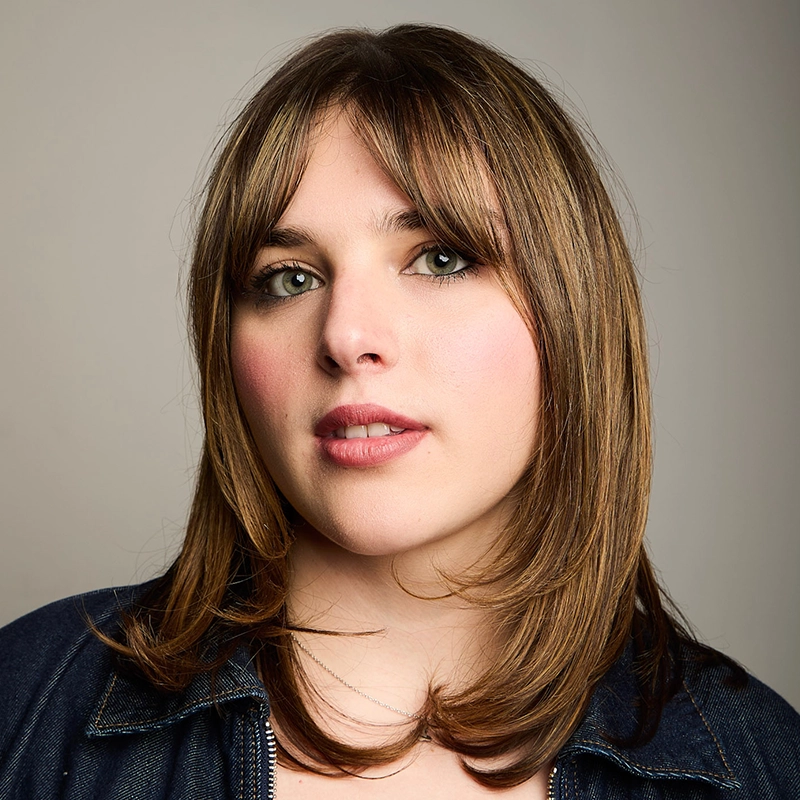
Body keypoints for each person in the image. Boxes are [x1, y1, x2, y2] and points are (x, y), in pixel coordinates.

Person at [0, 23, 797, 800]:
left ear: (575, 314)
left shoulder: (760, 763)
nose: (347, 338)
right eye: (288, 278)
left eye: (440, 258)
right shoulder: (27, 707)